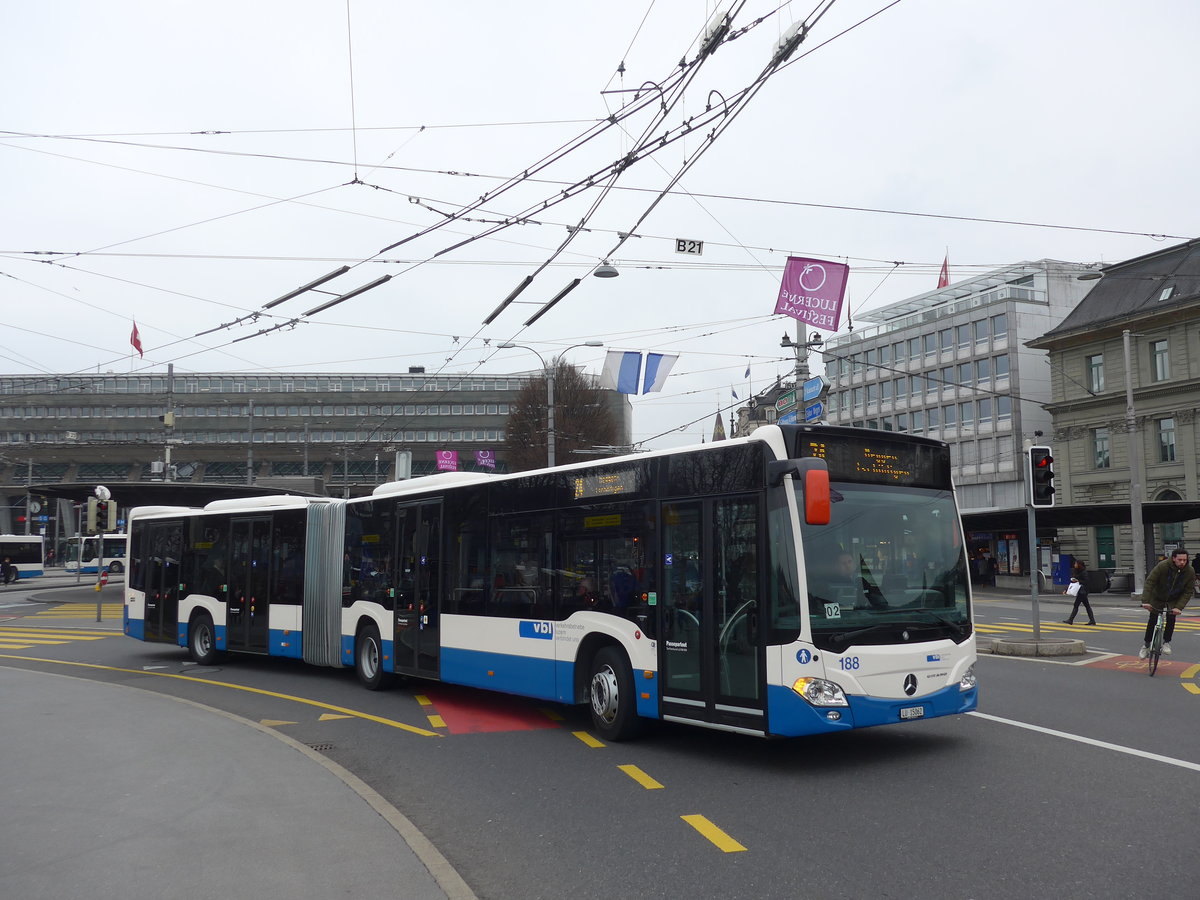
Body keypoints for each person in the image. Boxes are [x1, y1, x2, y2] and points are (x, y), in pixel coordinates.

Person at [1138, 548, 1195, 658]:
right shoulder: (1163, 566)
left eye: (1185, 560)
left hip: (1174, 598)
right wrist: (1145, 601)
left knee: (1171, 617)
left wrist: (1179, 607)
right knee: (1153, 619)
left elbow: (1188, 591)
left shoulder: (1189, 571)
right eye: (1180, 560)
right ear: (1174, 558)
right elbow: (1150, 582)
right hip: (1157, 596)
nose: (1183, 562)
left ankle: (1166, 642)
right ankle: (1146, 646)